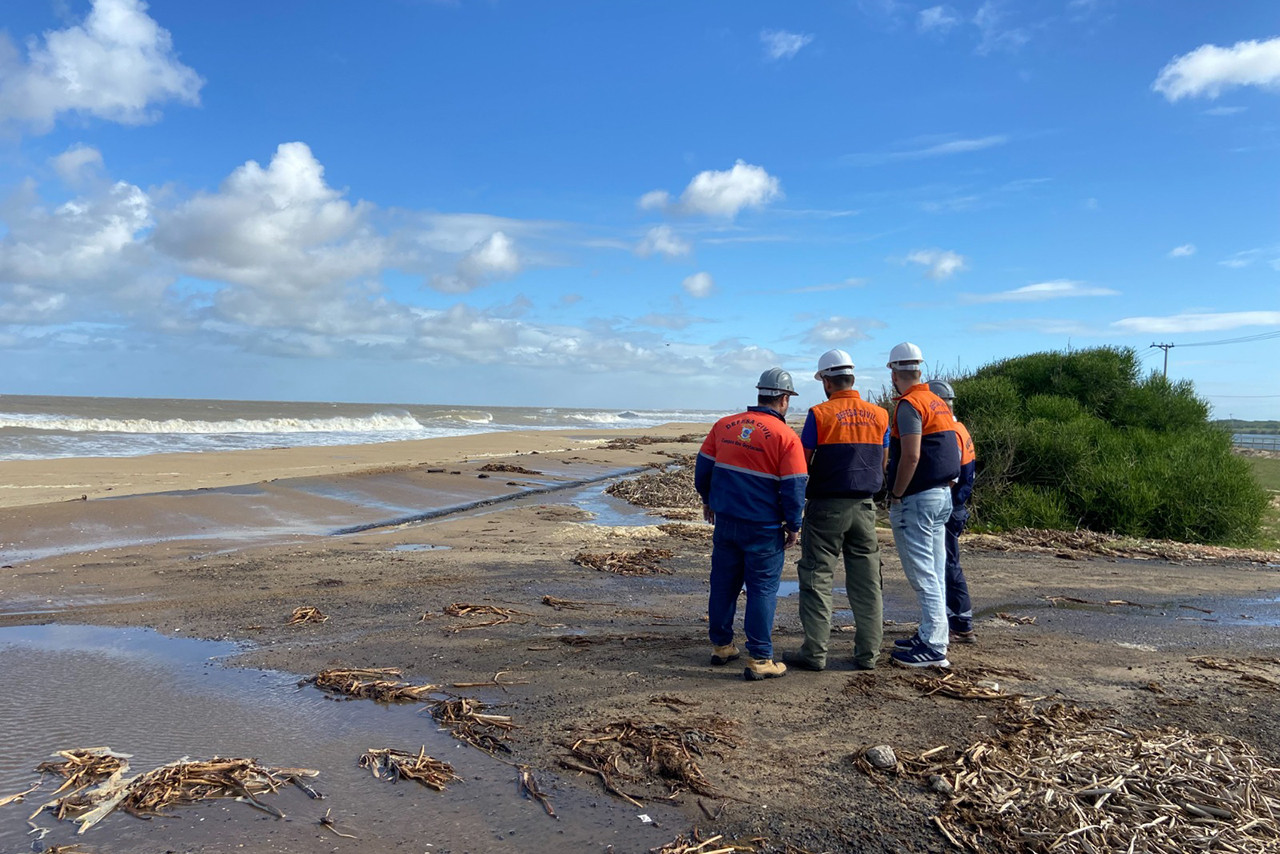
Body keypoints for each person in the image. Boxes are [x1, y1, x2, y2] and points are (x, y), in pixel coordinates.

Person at [695, 367, 808, 681]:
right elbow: (795, 485)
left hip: (726, 521)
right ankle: (760, 658)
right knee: (762, 590)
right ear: (784, 399)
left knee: (723, 584)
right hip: (764, 527)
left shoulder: (724, 426)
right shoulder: (786, 437)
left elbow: (702, 469)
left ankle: (721, 645)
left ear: (760, 394)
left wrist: (708, 499)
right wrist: (794, 524)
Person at [785, 349, 889, 672]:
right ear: (853, 379)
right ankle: (868, 654)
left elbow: (802, 464)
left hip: (827, 507)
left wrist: (793, 506)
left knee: (817, 576)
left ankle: (815, 652)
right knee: (868, 582)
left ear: (827, 382)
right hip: (865, 509)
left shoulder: (820, 415)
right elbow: (883, 462)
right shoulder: (880, 415)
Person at [884, 343, 961, 668]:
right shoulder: (936, 401)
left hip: (918, 498)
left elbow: (912, 454)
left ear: (894, 372)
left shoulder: (909, 405)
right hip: (942, 494)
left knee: (923, 573)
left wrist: (897, 492)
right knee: (936, 571)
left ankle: (932, 646)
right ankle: (933, 633)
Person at [928, 380, 977, 644]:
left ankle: (961, 622)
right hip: (957, 506)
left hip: (950, 508)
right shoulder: (960, 429)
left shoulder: (950, 432)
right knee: (947, 563)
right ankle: (954, 619)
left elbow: (950, 473)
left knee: (947, 564)